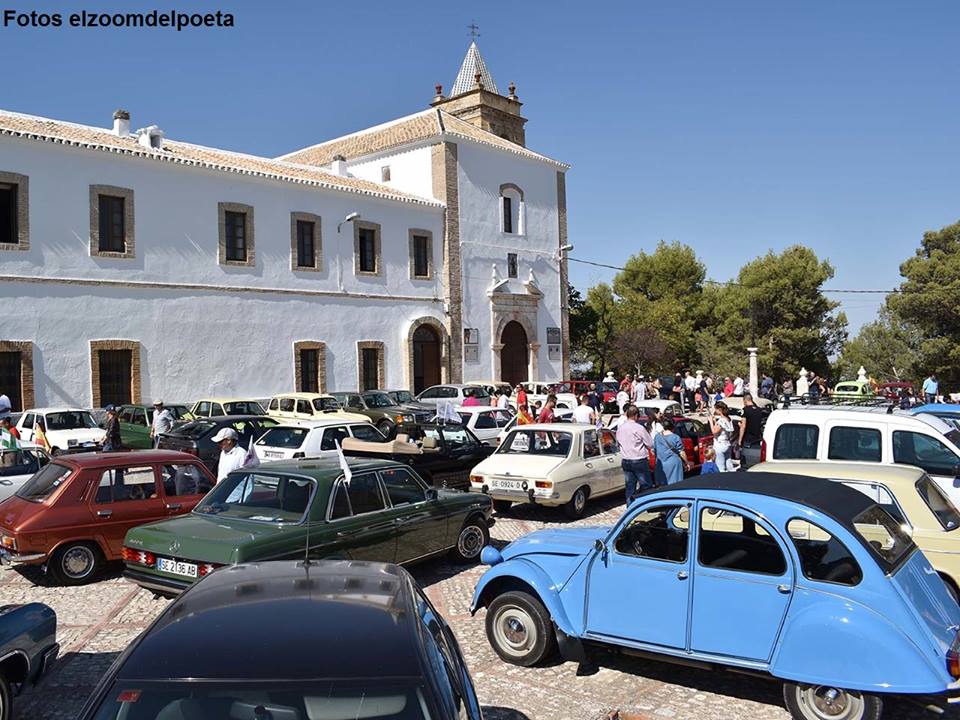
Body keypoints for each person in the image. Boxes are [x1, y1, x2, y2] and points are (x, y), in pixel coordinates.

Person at [615, 405, 653, 503]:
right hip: (638, 459)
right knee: (645, 485)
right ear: (636, 416)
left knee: (630, 486)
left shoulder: (620, 428)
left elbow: (617, 444)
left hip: (626, 460)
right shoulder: (639, 428)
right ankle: (645, 507)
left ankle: (630, 507)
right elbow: (650, 443)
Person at [653, 418, 690, 486]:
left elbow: (654, 451)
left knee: (662, 486)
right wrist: (686, 463)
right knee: (675, 485)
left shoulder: (657, 437)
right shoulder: (675, 437)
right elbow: (681, 452)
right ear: (673, 427)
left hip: (661, 464)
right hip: (674, 464)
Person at [709, 401, 735, 472]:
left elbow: (714, 432)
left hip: (720, 445)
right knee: (729, 464)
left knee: (721, 467)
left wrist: (711, 422)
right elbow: (720, 430)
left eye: (716, 409)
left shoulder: (721, 420)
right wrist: (715, 422)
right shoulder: (728, 419)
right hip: (727, 444)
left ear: (719, 410)